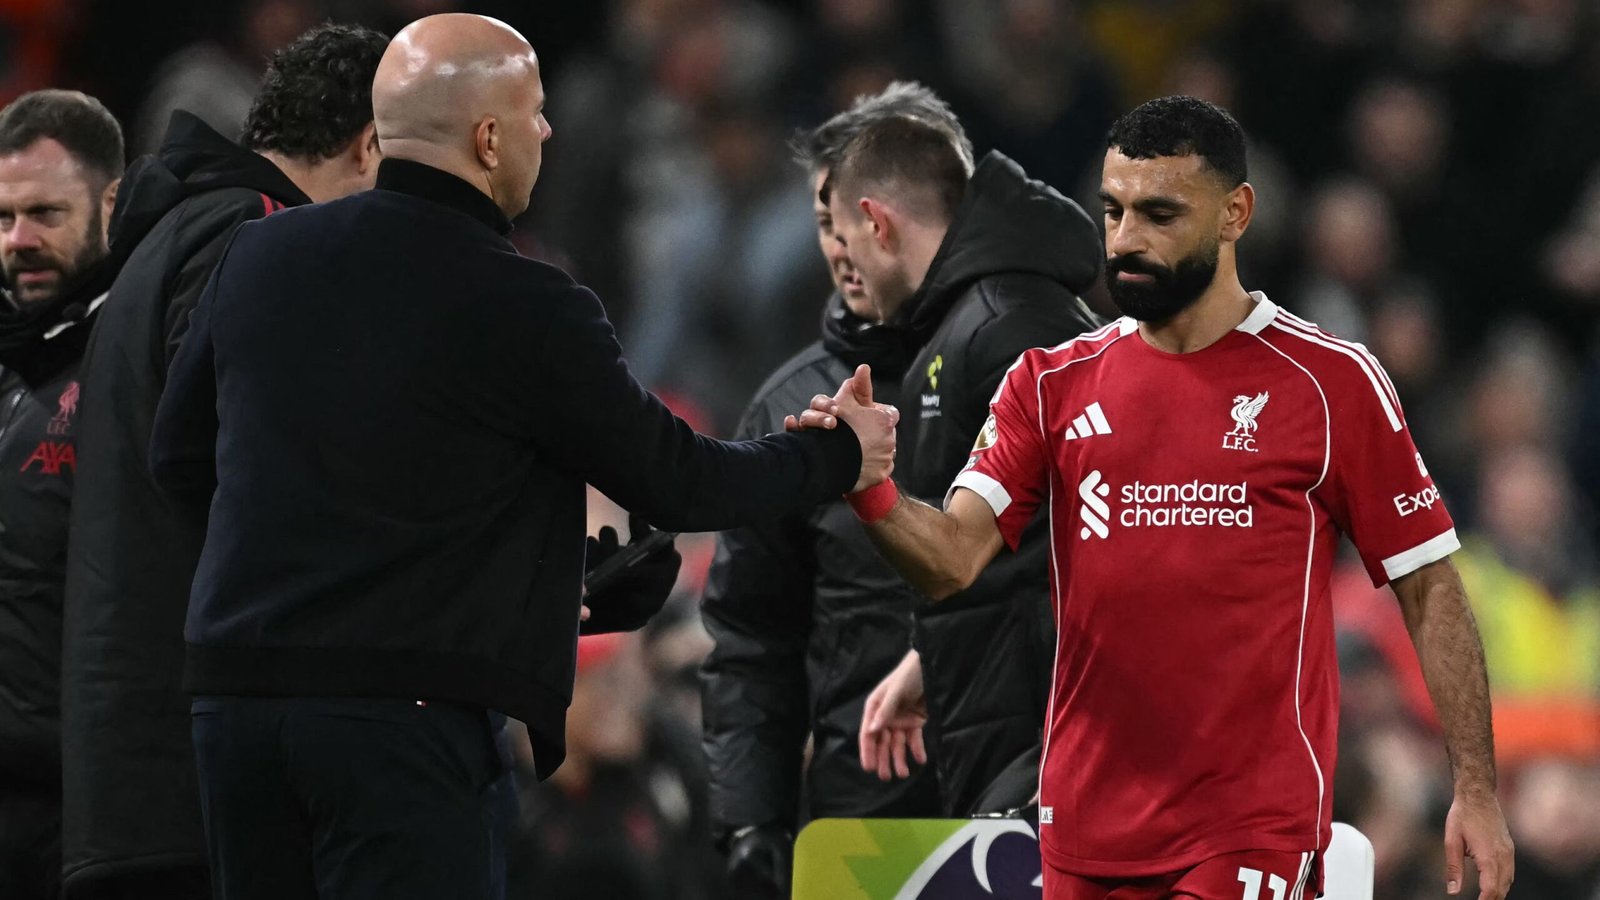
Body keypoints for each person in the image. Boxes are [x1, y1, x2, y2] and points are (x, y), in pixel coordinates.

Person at [148, 14, 894, 900]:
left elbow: (179, 459)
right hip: (405, 719)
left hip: (235, 709)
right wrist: (836, 457)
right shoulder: (526, 301)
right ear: (488, 137)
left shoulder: (257, 253)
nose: (548, 131)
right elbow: (680, 479)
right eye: (535, 112)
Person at [802, 95, 1515, 900]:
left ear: (1234, 214)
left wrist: (1477, 790)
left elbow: (1429, 586)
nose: (1126, 240)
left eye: (1159, 213)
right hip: (1082, 826)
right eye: (1112, 211)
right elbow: (950, 563)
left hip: (1249, 828)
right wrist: (872, 487)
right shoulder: (1050, 384)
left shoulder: (1330, 385)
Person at [60, 23, 388, 900]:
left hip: (144, 771)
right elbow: (242, 466)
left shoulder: (179, 234)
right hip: (200, 778)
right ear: (371, 146)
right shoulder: (255, 235)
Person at [700, 81, 960, 898]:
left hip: (1030, 808)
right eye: (826, 222)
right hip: (863, 819)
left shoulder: (1038, 369)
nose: (845, 245)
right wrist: (751, 819)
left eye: (867, 217)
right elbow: (752, 637)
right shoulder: (789, 409)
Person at [823, 115, 1103, 816]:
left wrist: (1053, 759)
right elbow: (1016, 540)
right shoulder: (962, 329)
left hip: (1050, 744)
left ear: (876, 222)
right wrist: (934, 654)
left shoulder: (1012, 327)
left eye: (840, 232)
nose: (839, 258)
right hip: (1012, 721)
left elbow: (1105, 536)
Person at [0, 88, 122, 900]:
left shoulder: (144, 365)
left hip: (85, 808)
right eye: (4, 218)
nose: (19, 241)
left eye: (45, 213)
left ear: (112, 202)